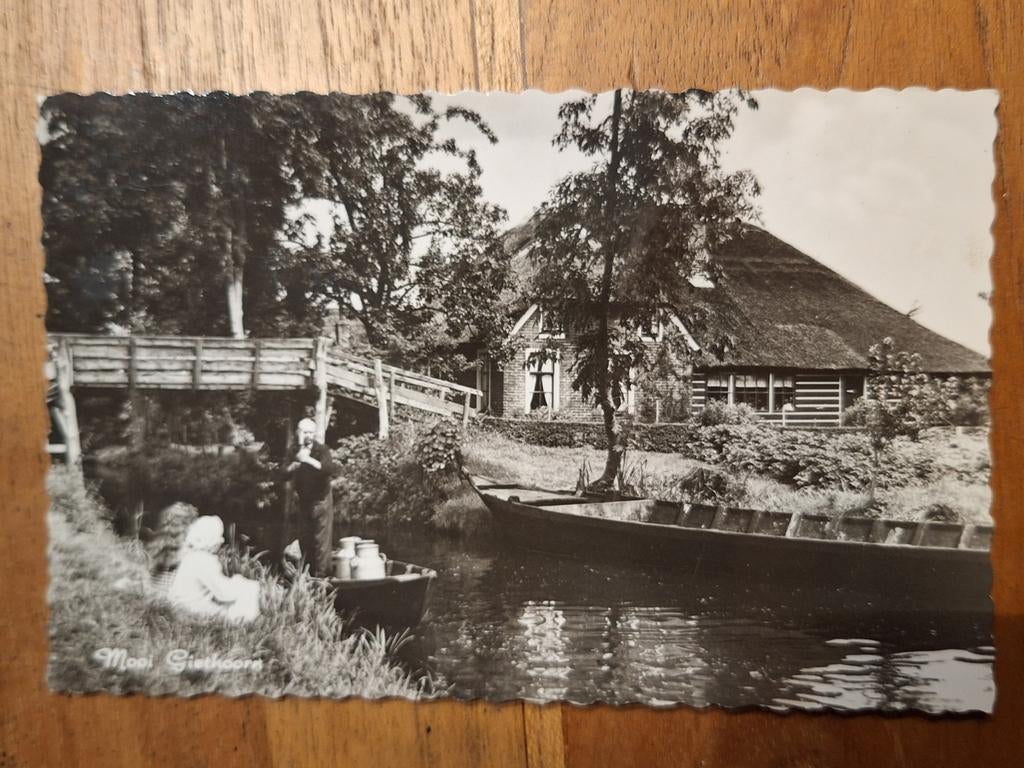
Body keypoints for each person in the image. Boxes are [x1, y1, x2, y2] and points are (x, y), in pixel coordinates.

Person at [167, 516, 260, 623]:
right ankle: (245, 622)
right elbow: (223, 593)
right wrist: (241, 583)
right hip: (192, 609)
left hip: (179, 606)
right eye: (220, 536)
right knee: (249, 590)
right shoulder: (205, 561)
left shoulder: (190, 557)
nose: (222, 541)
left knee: (236, 596)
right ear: (212, 540)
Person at [285, 417, 335, 576]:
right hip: (304, 502)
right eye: (305, 432)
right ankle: (308, 575)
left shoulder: (321, 450)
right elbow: (281, 475)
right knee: (305, 540)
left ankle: (322, 577)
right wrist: (292, 466)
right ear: (298, 433)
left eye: (311, 432)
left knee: (321, 542)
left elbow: (328, 469)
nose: (309, 436)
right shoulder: (293, 451)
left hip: (321, 500)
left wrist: (308, 460)